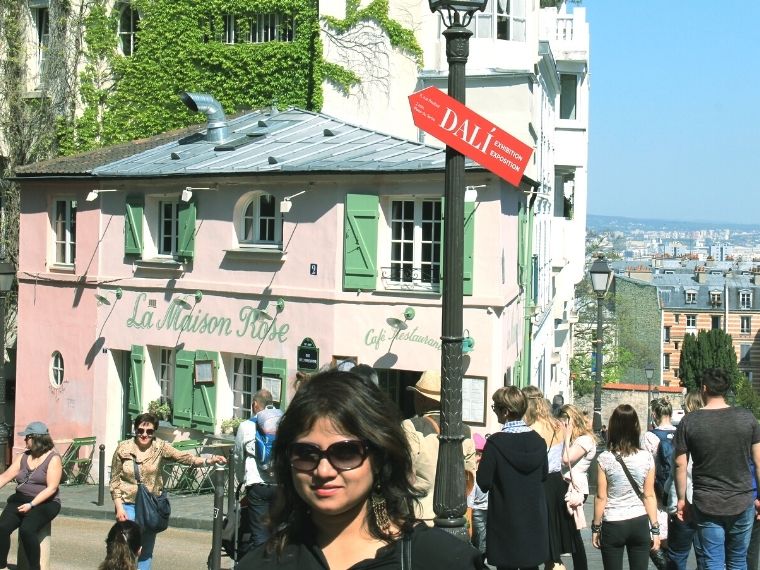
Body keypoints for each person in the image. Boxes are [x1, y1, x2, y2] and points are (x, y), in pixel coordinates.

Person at [238, 369, 486, 569]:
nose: (323, 471)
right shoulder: (262, 563)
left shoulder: (441, 560)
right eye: (306, 453)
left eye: (345, 452)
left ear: (378, 457)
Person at [109, 412, 227, 570]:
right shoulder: (123, 448)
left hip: (151, 506)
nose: (144, 435)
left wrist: (208, 460)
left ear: (154, 432)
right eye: (141, 431)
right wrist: (119, 507)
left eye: (149, 432)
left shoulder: (160, 447)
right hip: (128, 505)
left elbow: (184, 457)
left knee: (146, 551)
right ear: (135, 430)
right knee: (125, 549)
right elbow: (115, 480)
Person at [674, 368, 760, 570]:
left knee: (712, 561)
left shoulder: (690, 421)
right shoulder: (747, 418)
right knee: (738, 561)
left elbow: (680, 463)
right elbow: (758, 462)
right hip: (742, 497)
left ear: (704, 388)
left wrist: (681, 499)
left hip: (707, 501)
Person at [477, 386, 549, 570]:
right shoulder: (539, 442)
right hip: (533, 520)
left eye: (495, 408)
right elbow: (543, 475)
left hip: (505, 520)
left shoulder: (494, 444)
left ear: (506, 411)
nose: (495, 412)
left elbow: (483, 482)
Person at [401, 370, 477, 524]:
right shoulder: (465, 431)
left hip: (420, 516)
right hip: (455, 518)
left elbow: (406, 470)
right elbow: (469, 476)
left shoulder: (410, 426)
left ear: (422, 399)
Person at [592, 404, 660, 570]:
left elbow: (601, 496)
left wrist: (596, 526)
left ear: (612, 428)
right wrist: (655, 529)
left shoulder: (605, 459)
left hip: (613, 522)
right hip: (639, 521)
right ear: (636, 428)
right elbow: (649, 495)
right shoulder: (646, 458)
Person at [523, 385, 575, 570]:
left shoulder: (530, 429)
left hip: (538, 484)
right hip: (556, 483)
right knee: (553, 543)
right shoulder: (558, 425)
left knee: (536, 542)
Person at [0, 421, 62, 570]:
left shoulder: (53, 458)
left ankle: (35, 568)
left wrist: (31, 504)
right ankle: (1, 565)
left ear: (36, 438)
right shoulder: (23, 456)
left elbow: (52, 488)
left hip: (45, 502)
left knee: (27, 530)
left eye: (27, 437)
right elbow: (5, 476)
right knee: (2, 527)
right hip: (20, 499)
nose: (24, 440)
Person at [234, 389, 279, 555]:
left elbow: (238, 456)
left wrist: (241, 479)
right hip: (280, 485)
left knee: (260, 536)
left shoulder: (246, 426)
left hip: (257, 485)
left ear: (254, 405)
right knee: (278, 532)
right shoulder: (283, 424)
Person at [666, 390, 705, 570]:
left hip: (683, 500)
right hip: (707, 501)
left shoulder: (684, 431)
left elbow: (678, 469)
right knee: (705, 555)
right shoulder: (711, 433)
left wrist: (672, 501)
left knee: (677, 555)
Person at [560, 403, 597, 570]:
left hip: (575, 488)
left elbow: (567, 459)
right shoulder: (580, 439)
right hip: (569, 486)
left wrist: (566, 437)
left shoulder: (584, 440)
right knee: (570, 533)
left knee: (574, 534)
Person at [643, 397, 677, 570]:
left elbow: (647, 465)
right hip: (677, 490)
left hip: (657, 491)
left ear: (654, 414)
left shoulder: (650, 436)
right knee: (672, 538)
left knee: (654, 538)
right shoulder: (679, 432)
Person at [468, 433, 488, 559]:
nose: (479, 458)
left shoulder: (485, 472)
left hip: (487, 510)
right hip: (477, 512)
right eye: (476, 454)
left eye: (481, 454)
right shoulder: (472, 475)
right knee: (480, 542)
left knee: (484, 542)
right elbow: (470, 501)